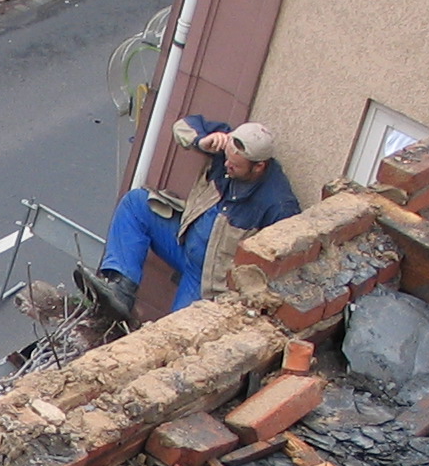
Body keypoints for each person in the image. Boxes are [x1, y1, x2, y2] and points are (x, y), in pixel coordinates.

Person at [81, 116, 300, 321]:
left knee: (173, 332)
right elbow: (182, 125)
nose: (226, 165)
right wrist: (201, 141)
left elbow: (285, 264)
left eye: (234, 166)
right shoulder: (225, 147)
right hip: (184, 242)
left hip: (208, 281)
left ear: (258, 166)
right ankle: (121, 292)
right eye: (226, 159)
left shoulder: (277, 204)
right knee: (136, 204)